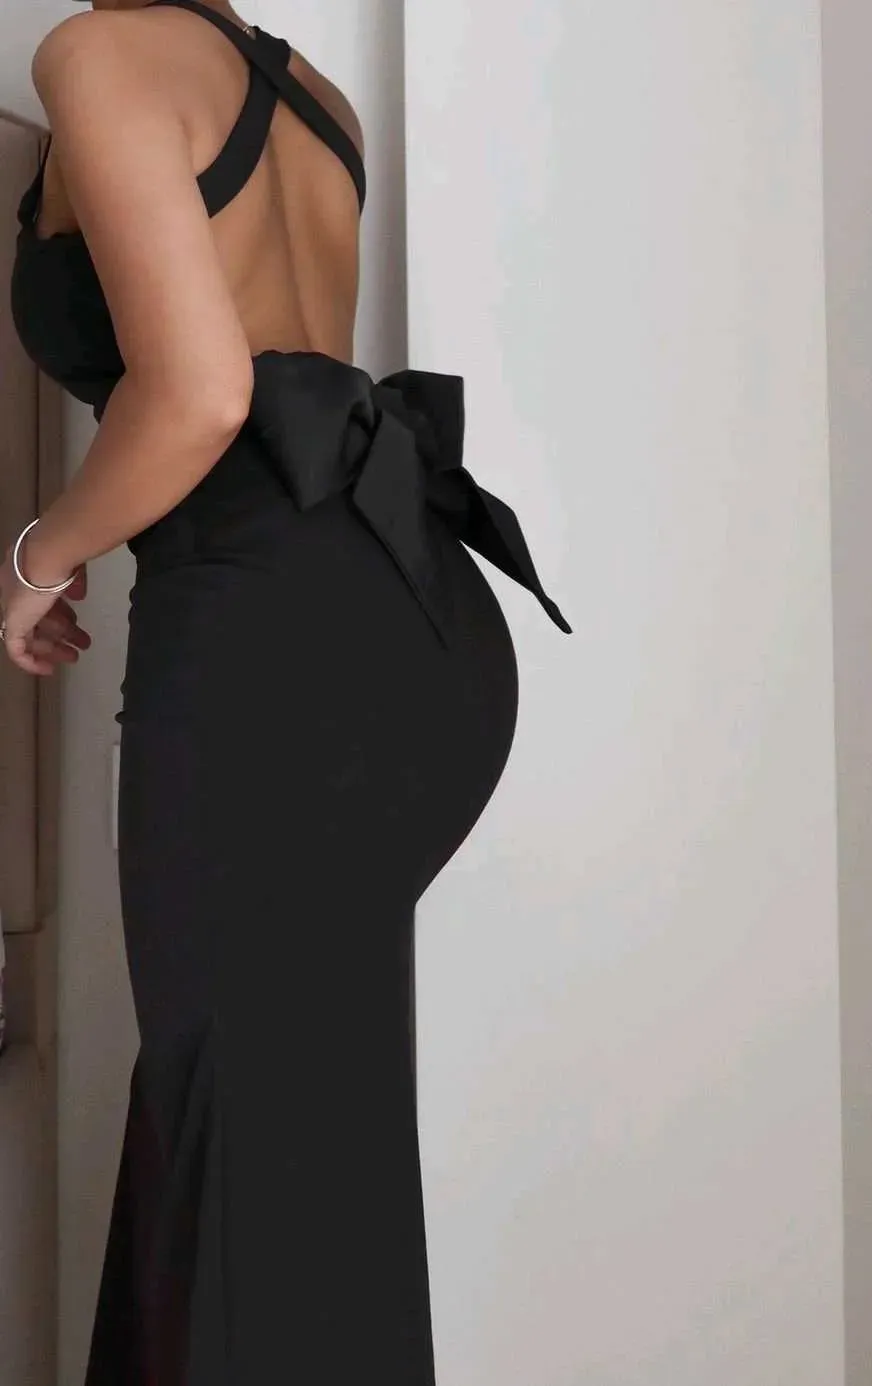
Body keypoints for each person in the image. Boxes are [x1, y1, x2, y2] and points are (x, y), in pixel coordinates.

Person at [0, 1, 571, 1381]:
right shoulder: (322, 103)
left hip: (274, 648)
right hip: (421, 623)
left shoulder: (96, 54)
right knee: (309, 1119)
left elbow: (202, 395)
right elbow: (285, 390)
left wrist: (38, 556)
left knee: (230, 1111)